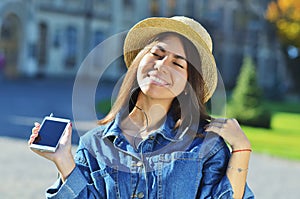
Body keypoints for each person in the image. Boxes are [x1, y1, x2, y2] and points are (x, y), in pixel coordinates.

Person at [28, 16, 254, 198]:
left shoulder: (205, 146)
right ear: (139, 61)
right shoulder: (94, 145)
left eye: (177, 63)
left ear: (188, 83)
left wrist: (242, 149)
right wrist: (63, 160)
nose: (162, 65)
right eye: (157, 54)